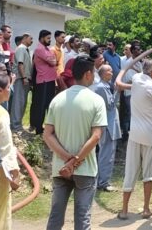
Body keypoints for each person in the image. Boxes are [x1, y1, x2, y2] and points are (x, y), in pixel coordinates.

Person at [43, 55, 107, 230]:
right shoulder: (96, 100)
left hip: (60, 168)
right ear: (88, 74)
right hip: (85, 168)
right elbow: (96, 136)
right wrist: (76, 160)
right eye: (93, 72)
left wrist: (67, 159)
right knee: (82, 218)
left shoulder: (57, 100)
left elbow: (47, 134)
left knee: (55, 217)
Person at [118, 59, 152, 220]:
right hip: (150, 135)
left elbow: (144, 74)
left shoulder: (137, 79)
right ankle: (145, 208)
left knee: (130, 170)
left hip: (135, 133)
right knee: (148, 172)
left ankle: (124, 210)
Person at [0, 72, 20, 230]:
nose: (11, 90)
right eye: (9, 87)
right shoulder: (0, 114)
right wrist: (14, 174)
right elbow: (6, 148)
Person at [94, 64, 121, 192]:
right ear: (103, 74)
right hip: (108, 126)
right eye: (109, 70)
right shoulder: (101, 87)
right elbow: (110, 105)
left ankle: (102, 180)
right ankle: (103, 182)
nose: (112, 72)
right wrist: (118, 91)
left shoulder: (105, 86)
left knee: (107, 153)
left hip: (110, 125)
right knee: (107, 154)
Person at [30, 30, 57, 135]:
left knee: (48, 104)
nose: (50, 40)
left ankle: (47, 127)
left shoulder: (47, 49)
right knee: (41, 105)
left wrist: (53, 59)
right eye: (48, 38)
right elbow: (53, 61)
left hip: (50, 80)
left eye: (50, 38)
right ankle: (38, 128)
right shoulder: (39, 49)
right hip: (43, 81)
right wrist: (53, 60)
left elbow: (54, 60)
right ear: (41, 38)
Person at [120, 41, 143, 141]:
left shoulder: (138, 62)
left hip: (138, 91)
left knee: (136, 113)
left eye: (140, 49)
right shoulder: (128, 63)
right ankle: (126, 134)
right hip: (130, 92)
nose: (140, 51)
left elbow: (142, 75)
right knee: (129, 113)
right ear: (133, 51)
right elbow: (130, 79)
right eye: (137, 49)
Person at [10, 33, 33, 131]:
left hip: (25, 79)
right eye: (30, 38)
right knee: (18, 102)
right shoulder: (21, 48)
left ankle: (18, 124)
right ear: (24, 38)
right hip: (20, 79)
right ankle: (15, 126)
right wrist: (24, 77)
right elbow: (20, 64)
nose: (32, 41)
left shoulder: (25, 49)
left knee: (23, 102)